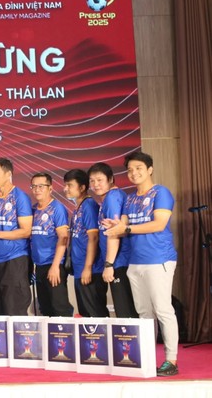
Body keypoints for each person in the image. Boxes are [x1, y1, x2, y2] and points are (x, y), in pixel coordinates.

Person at [103, 151, 179, 376]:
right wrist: (115, 227)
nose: (134, 173)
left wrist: (125, 228)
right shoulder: (130, 199)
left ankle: (171, 360)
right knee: (144, 313)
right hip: (135, 262)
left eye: (138, 168)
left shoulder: (161, 192)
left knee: (163, 309)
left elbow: (158, 224)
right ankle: (147, 357)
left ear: (149, 169)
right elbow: (122, 226)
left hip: (159, 259)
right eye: (130, 170)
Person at [0, 158, 33, 315]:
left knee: (13, 309)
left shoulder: (20, 197)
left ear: (8, 174)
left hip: (16, 259)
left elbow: (26, 231)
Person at [88, 162, 137, 318]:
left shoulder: (112, 198)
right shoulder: (111, 197)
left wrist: (109, 265)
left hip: (119, 262)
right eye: (92, 181)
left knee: (125, 312)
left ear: (110, 179)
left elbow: (114, 233)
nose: (95, 185)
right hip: (119, 262)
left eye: (99, 180)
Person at [63, 169, 108, 317]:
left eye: (70, 185)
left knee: (95, 315)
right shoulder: (79, 207)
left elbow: (93, 237)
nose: (65, 189)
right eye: (65, 185)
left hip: (91, 270)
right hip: (80, 269)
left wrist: (88, 268)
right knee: (85, 316)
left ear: (82, 187)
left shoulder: (89, 205)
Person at [29, 173, 74, 317]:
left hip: (54, 264)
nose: (37, 189)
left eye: (41, 186)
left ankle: (65, 332)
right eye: (34, 186)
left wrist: (55, 266)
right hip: (39, 266)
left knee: (59, 307)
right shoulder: (33, 210)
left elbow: (63, 237)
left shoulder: (57, 208)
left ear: (50, 188)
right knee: (45, 308)